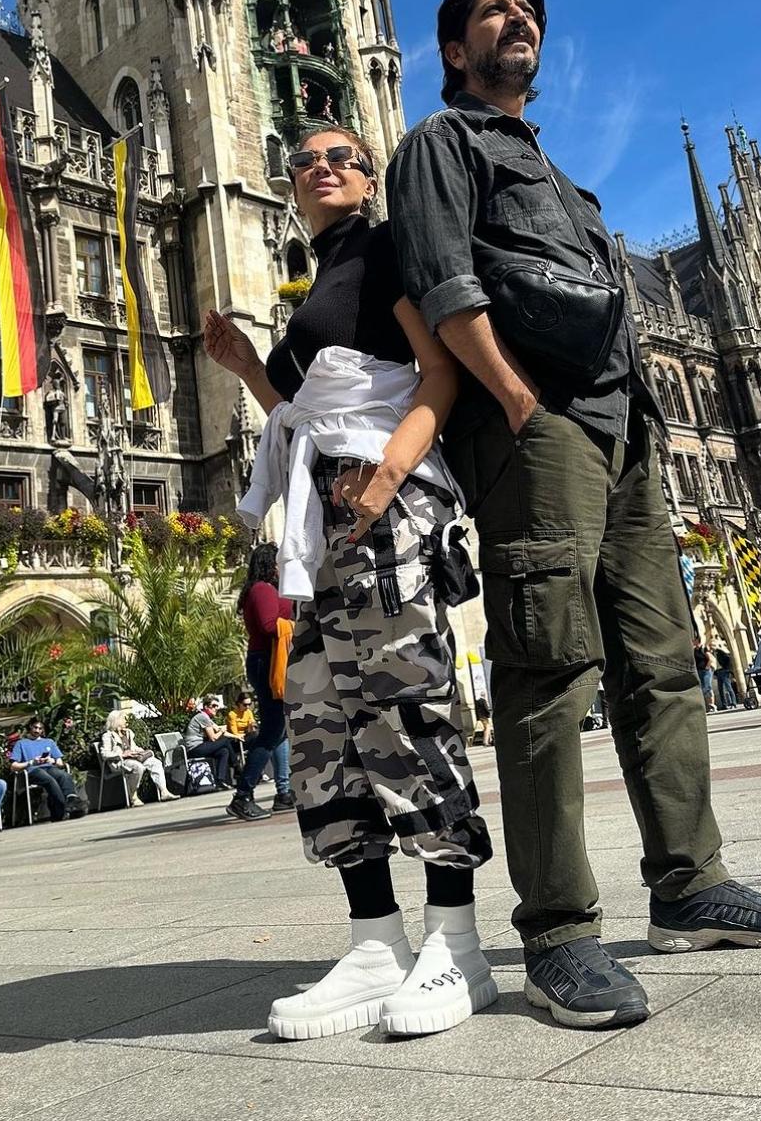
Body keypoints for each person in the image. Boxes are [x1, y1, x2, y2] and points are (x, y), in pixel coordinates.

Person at [386, 0, 761, 1030]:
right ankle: (558, 932)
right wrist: (515, 397)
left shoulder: (560, 178)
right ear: (453, 48)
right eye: (495, 11)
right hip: (539, 429)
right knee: (548, 666)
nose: (520, 21)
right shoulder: (441, 143)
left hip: (625, 431)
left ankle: (690, 883)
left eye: (528, 12)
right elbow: (443, 282)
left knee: (662, 663)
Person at [206, 123, 495, 1041]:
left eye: (341, 157)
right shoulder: (321, 274)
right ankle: (376, 941)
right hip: (319, 521)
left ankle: (457, 939)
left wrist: (385, 479)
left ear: (370, 177)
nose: (321, 168)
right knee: (324, 722)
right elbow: (300, 417)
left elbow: (437, 373)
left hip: (381, 506)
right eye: (304, 161)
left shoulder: (384, 250)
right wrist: (246, 366)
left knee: (407, 710)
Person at [226, 550, 295, 821]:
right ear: (269, 564)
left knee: (278, 730)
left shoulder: (266, 588)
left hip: (267, 660)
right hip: (267, 662)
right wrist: (295, 625)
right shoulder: (262, 589)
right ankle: (242, 795)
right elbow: (268, 625)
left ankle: (283, 792)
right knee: (271, 732)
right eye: (279, 561)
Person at [10, 718, 88, 820]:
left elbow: (60, 763)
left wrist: (52, 760)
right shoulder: (21, 743)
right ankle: (63, 808)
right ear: (30, 727)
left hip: (49, 767)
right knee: (49, 780)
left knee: (63, 775)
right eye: (35, 727)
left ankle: (71, 799)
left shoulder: (49, 742)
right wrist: (31, 762)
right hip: (33, 770)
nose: (37, 730)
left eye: (40, 728)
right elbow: (13, 766)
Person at [99, 710, 163, 804]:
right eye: (123, 719)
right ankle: (133, 795)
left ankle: (164, 791)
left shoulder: (128, 733)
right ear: (116, 721)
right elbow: (104, 754)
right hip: (120, 762)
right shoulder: (108, 736)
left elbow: (134, 747)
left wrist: (140, 751)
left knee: (155, 762)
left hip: (134, 758)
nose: (126, 721)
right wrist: (122, 754)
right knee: (138, 767)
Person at [183, 698, 236, 790]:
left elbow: (219, 730)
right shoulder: (202, 717)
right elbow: (213, 738)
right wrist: (222, 731)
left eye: (217, 706)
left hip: (200, 747)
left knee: (224, 751)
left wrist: (237, 736)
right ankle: (236, 767)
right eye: (214, 706)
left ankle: (220, 780)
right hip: (194, 749)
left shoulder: (206, 717)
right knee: (225, 741)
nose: (216, 708)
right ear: (206, 707)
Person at [712, 641, 739, 711]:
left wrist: (727, 669)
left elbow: (728, 659)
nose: (711, 647)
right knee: (720, 689)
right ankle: (724, 704)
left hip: (724, 671)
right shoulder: (712, 653)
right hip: (718, 672)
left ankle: (733, 703)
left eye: (713, 646)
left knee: (728, 687)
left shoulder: (720, 652)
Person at [693, 636, 716, 712]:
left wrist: (707, 667)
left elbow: (710, 659)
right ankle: (707, 705)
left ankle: (712, 704)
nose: (693, 642)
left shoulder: (703, 649)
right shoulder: (694, 651)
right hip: (699, 671)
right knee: (703, 688)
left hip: (706, 671)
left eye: (694, 640)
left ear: (697, 641)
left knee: (707, 687)